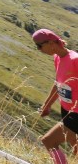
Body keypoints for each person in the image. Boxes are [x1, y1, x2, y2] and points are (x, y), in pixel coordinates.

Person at [32, 28, 78, 164]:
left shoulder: (75, 60)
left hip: (76, 113)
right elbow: (58, 83)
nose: (39, 49)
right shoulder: (57, 57)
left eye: (39, 46)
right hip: (66, 110)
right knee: (76, 149)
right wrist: (47, 105)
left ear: (51, 42)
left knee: (48, 141)